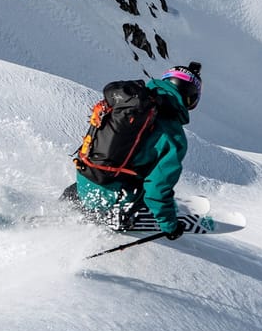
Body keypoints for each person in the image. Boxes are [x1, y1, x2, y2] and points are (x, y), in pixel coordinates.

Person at [72, 62, 205, 238]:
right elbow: (156, 190)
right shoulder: (174, 136)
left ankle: (68, 207)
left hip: (84, 180)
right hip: (109, 198)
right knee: (144, 189)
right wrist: (170, 226)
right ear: (190, 98)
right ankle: (116, 219)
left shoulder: (131, 102)